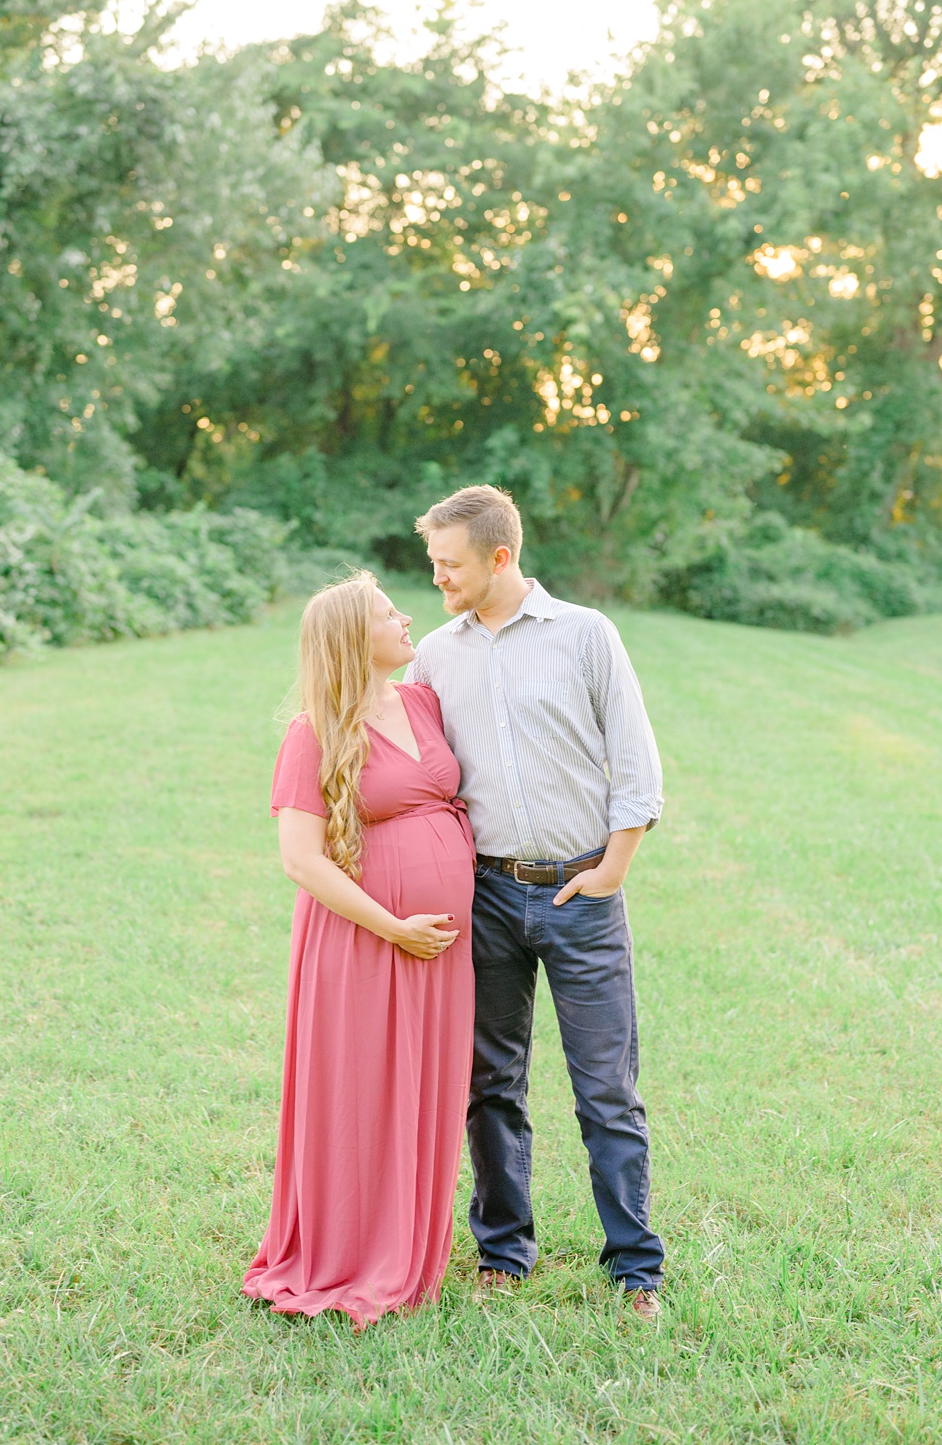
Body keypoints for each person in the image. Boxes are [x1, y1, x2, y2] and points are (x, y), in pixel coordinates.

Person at [407, 484, 667, 1319]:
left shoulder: (586, 635)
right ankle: (503, 1252)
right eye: (433, 565)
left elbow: (635, 761)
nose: (438, 581)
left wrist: (614, 867)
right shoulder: (435, 657)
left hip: (583, 890)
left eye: (450, 566)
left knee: (606, 1091)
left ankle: (635, 1268)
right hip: (483, 894)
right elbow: (412, 772)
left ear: (500, 557)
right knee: (491, 1082)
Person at [245, 571, 476, 1325]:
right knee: (361, 1094)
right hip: (364, 944)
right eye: (388, 613)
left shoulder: (422, 701)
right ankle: (349, 1255)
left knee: (424, 1091)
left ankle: (410, 1248)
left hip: (439, 954)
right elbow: (301, 860)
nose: (406, 618)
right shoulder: (313, 731)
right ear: (354, 639)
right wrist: (393, 925)